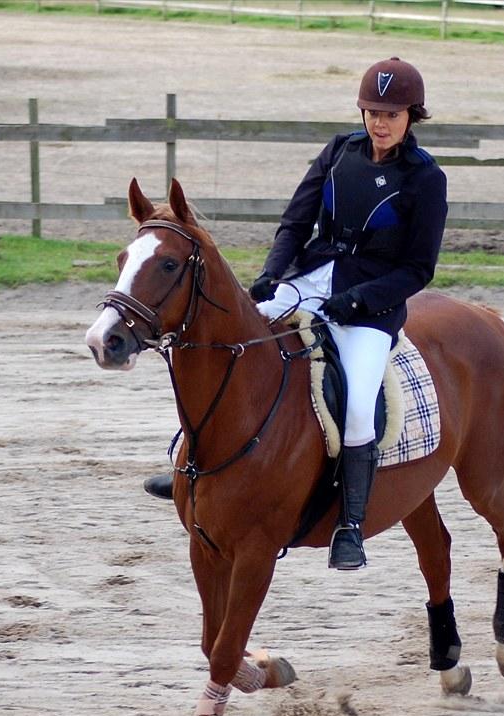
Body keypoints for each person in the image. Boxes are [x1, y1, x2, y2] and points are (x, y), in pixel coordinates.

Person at [145, 57, 448, 571]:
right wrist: (272, 274)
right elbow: (296, 220)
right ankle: (187, 463)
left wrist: (359, 300)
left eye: (391, 114)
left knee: (355, 402)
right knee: (231, 343)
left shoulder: (425, 178)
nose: (380, 122)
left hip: (370, 309)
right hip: (308, 281)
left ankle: (350, 525)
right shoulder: (339, 151)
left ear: (411, 117)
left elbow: (418, 269)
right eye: (373, 111)